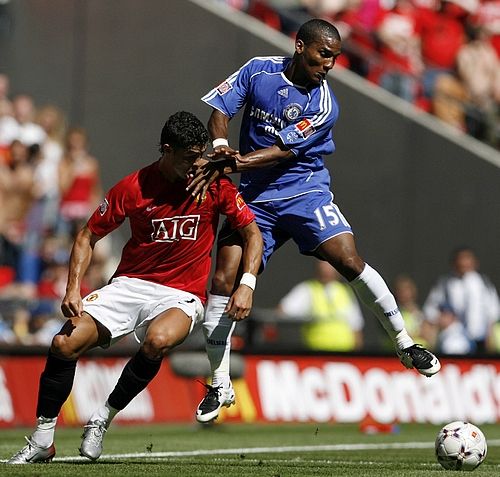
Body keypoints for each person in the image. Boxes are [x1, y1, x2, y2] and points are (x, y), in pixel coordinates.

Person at [188, 18, 441, 424]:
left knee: (348, 260)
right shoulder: (258, 70)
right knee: (222, 280)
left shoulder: (324, 103)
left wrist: (232, 162)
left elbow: (282, 152)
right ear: (300, 45)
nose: (329, 65)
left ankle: (404, 342)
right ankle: (219, 382)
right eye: (324, 54)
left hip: (303, 191)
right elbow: (219, 109)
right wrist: (220, 145)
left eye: (336, 58)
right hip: (254, 197)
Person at [6, 111, 263, 464]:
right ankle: (42, 439)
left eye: (199, 156)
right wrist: (72, 289)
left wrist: (246, 284)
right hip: (129, 285)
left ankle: (102, 418)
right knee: (64, 343)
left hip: (181, 294)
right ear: (167, 150)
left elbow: (253, 234)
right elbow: (87, 235)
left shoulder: (213, 184)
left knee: (158, 340)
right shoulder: (133, 188)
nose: (196, 165)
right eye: (189, 158)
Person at [423, 246, 500, 354]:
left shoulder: (483, 283)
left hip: (481, 336)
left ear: (474, 262)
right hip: (456, 335)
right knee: (453, 348)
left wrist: (490, 334)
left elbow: (493, 311)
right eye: (460, 260)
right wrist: (440, 318)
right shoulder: (445, 283)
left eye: (467, 259)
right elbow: (430, 309)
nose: (463, 263)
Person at [276, 260, 364, 351]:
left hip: (344, 354)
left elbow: (356, 326)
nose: (326, 271)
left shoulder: (345, 291)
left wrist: (359, 355)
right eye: (323, 268)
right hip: (317, 355)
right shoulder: (307, 290)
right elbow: (282, 311)